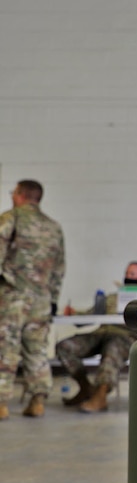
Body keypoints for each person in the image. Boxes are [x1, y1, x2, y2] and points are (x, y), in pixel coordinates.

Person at [0, 180, 65, 420]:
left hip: (12, 296)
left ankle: (2, 403)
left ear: (19, 195)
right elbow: (59, 269)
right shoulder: (53, 227)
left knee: (5, 348)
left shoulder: (11, 218)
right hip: (41, 299)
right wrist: (53, 300)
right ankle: (38, 400)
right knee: (36, 349)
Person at [55, 261, 137, 413]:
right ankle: (85, 388)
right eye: (126, 273)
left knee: (112, 348)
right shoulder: (111, 298)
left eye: (132, 274)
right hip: (101, 333)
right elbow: (90, 315)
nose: (127, 277)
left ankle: (101, 396)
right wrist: (74, 313)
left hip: (125, 336)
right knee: (64, 347)